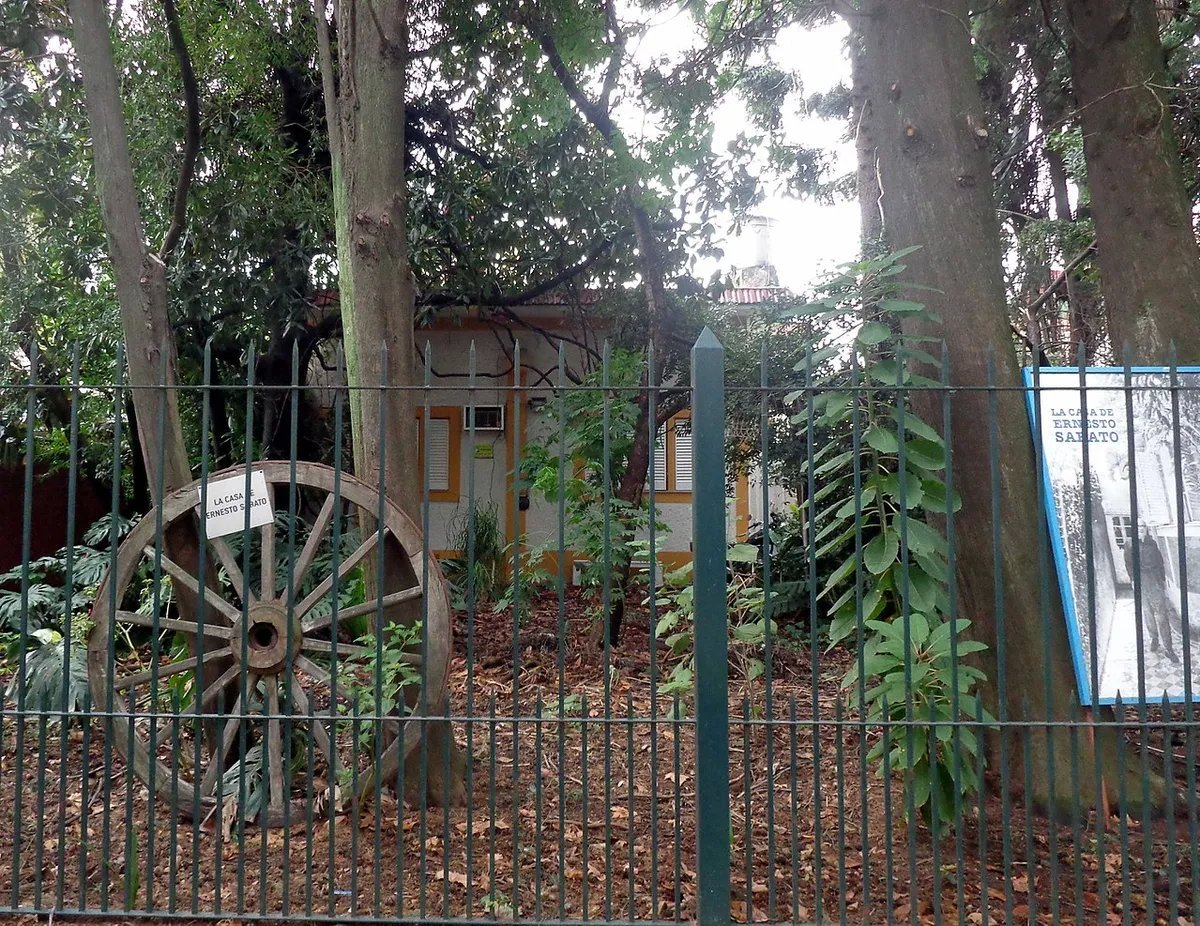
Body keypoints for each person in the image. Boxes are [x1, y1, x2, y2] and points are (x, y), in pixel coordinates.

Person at [1123, 525, 1180, 665]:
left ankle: (1169, 648)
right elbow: (1129, 564)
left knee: (1162, 615)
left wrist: (1162, 579)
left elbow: (1160, 562)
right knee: (1147, 612)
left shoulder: (1152, 542)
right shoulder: (1129, 544)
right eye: (1138, 527)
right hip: (1140, 581)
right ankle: (1154, 638)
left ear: (1146, 529)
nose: (1140, 529)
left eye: (1143, 527)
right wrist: (1133, 581)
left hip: (1154, 581)